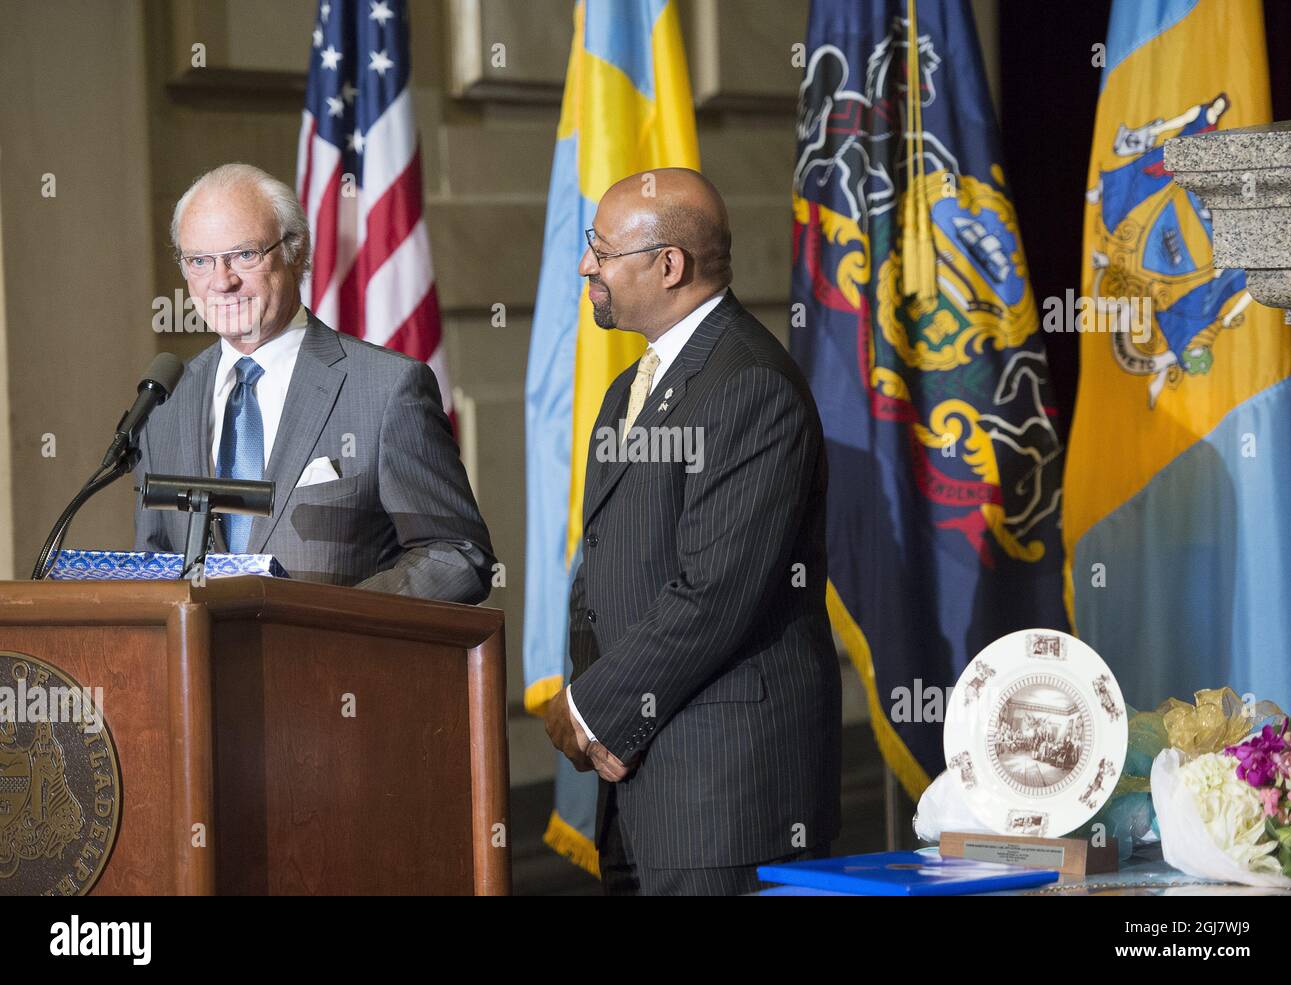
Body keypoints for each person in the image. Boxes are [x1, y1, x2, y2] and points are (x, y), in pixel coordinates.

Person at [543, 167, 841, 895]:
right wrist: (602, 727)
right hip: (635, 778)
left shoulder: (749, 385)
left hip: (725, 795)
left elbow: (715, 591)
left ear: (668, 265)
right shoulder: (628, 388)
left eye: (602, 248)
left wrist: (589, 710)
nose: (586, 264)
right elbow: (602, 566)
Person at [134, 163, 493, 602]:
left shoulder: (386, 389)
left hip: (336, 663)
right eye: (200, 261)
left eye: (245, 255)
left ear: (296, 251)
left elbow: (458, 555)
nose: (221, 281)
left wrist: (333, 621)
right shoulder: (166, 403)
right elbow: (153, 569)